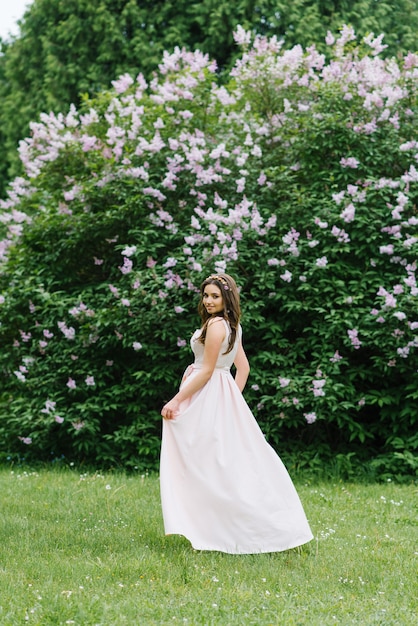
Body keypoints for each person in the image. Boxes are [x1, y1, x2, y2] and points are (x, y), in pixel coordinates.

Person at [160, 273, 313, 554]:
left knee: (206, 460)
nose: (208, 301)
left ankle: (218, 523)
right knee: (216, 460)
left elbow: (207, 370)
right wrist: (230, 401)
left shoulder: (218, 326)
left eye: (214, 296)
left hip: (205, 392)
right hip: (216, 395)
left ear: (226, 298)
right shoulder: (232, 325)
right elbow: (242, 370)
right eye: (205, 295)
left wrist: (176, 399)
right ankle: (207, 523)